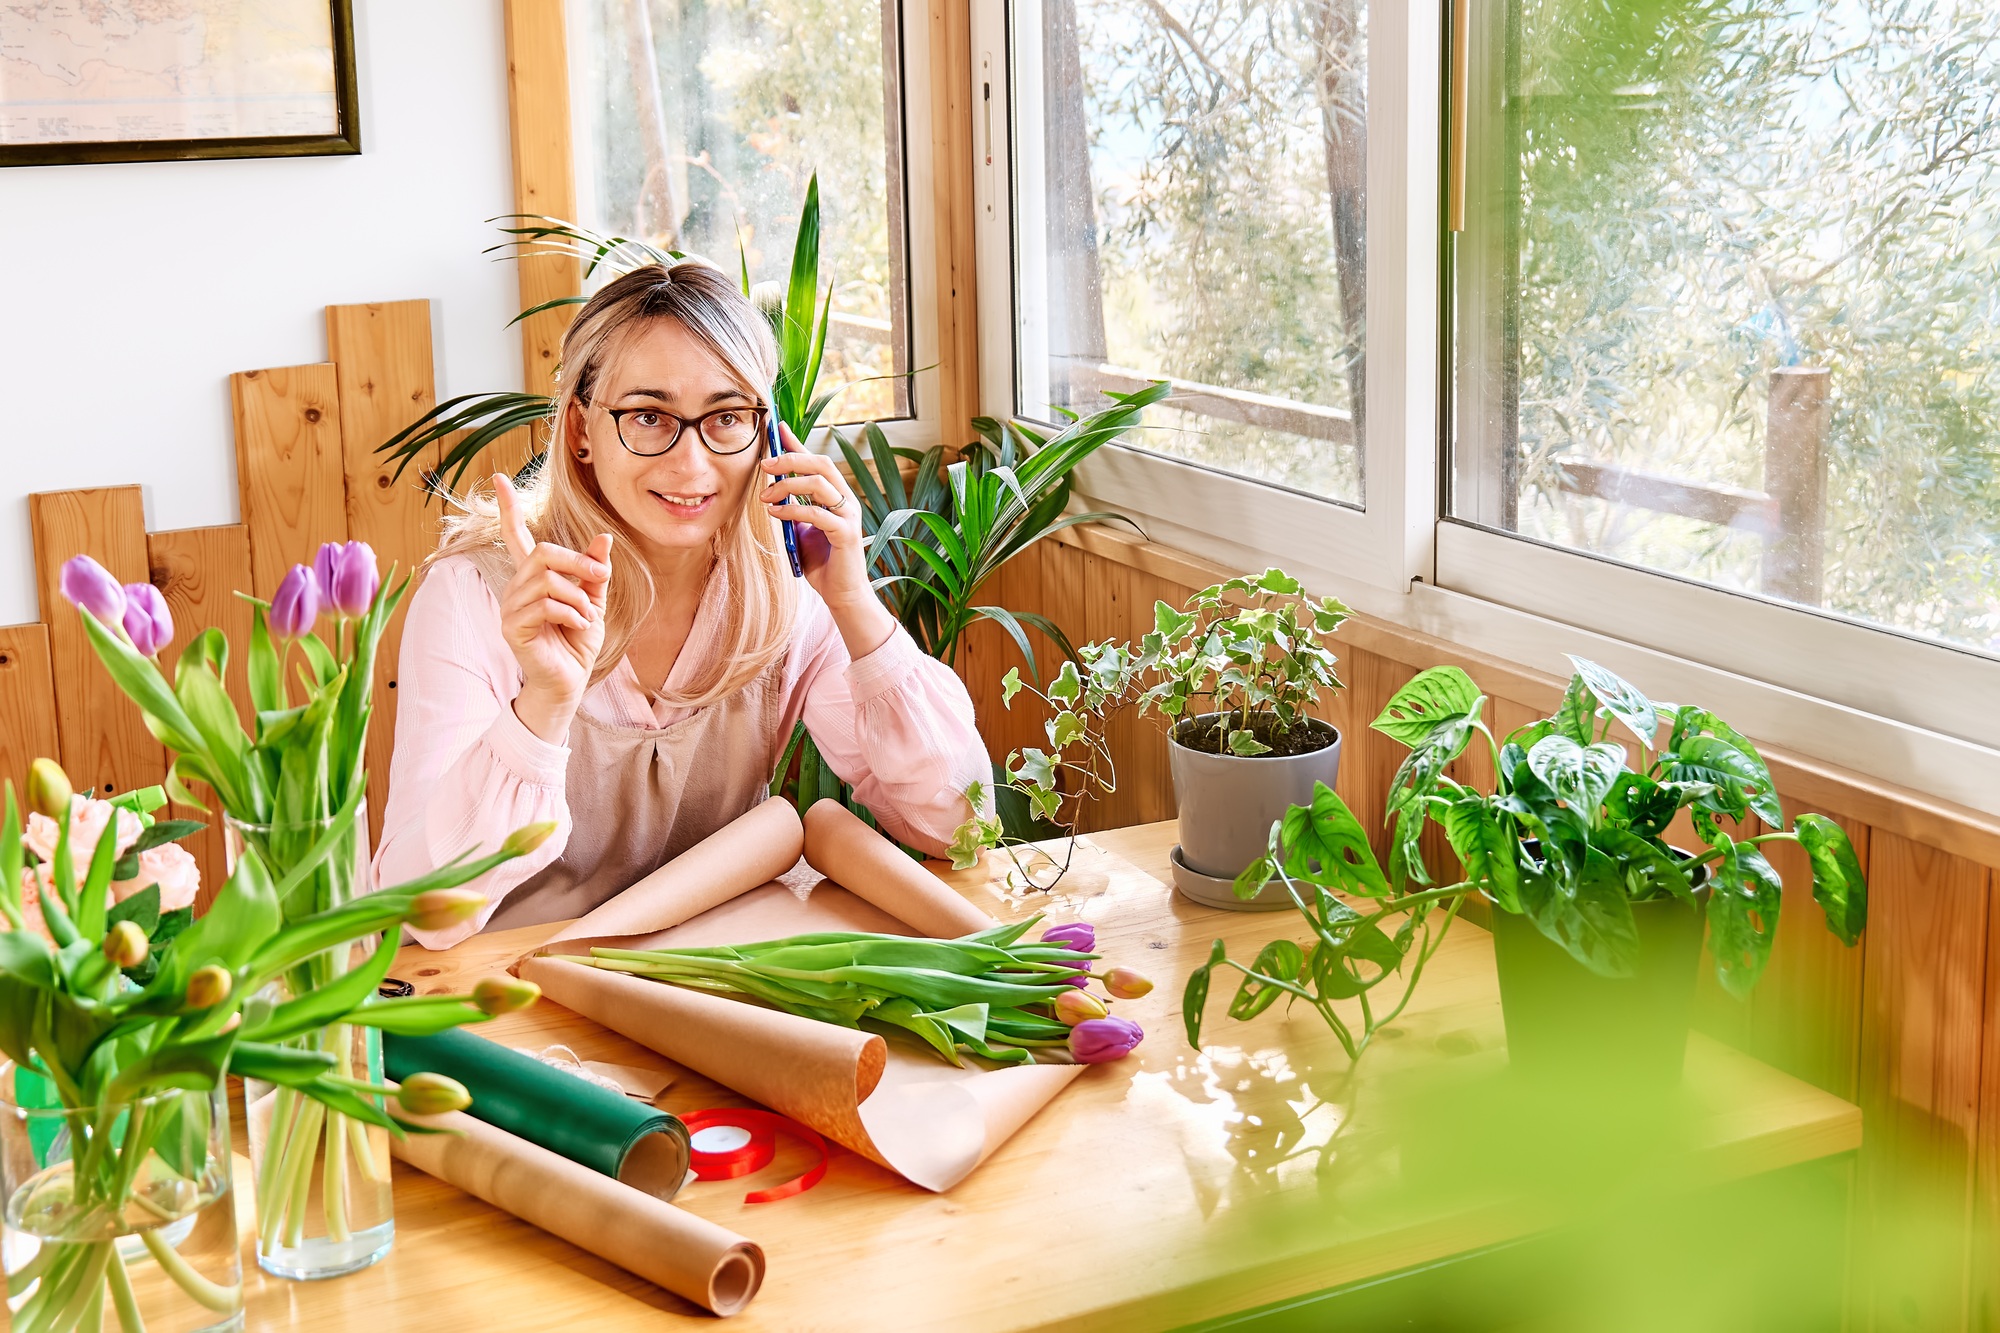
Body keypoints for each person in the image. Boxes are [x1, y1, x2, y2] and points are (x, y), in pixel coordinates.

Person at [375, 261, 988, 949]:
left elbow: (958, 827)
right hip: (507, 1002)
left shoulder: (784, 596)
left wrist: (852, 601)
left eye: (726, 417)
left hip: (699, 994)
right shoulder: (475, 596)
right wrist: (542, 704)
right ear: (580, 428)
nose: (692, 464)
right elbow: (413, 909)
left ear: (767, 432)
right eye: (648, 415)